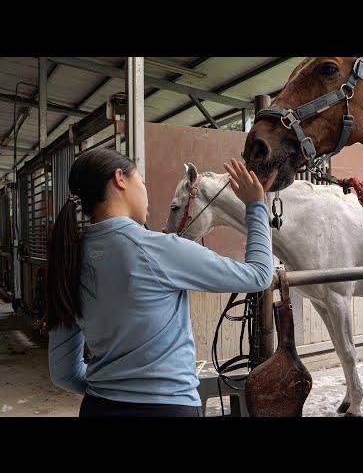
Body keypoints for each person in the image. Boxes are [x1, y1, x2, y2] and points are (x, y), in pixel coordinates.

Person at [45, 148, 273, 417]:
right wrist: (257, 206)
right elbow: (259, 274)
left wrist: (110, 391)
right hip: (168, 409)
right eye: (141, 181)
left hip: (98, 407)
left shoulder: (69, 260)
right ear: (120, 178)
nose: (146, 192)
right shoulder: (156, 249)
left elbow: (63, 373)